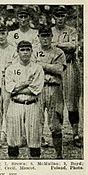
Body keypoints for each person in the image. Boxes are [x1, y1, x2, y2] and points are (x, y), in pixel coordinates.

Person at [5, 40, 45, 159]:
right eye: (22, 50)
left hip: (32, 103)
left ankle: (34, 169)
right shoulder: (11, 69)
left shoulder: (37, 68)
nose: (25, 52)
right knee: (13, 139)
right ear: (17, 52)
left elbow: (36, 89)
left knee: (34, 139)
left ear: (32, 51)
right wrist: (26, 84)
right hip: (15, 104)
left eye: (28, 50)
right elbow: (9, 88)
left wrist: (17, 88)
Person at [51, 6, 82, 148]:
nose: (60, 18)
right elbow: (46, 47)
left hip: (69, 65)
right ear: (54, 17)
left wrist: (56, 45)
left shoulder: (71, 30)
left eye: (62, 15)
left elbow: (72, 47)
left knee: (72, 101)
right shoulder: (50, 31)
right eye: (57, 16)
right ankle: (58, 134)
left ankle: (75, 133)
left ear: (65, 17)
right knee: (56, 102)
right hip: (55, 68)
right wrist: (62, 46)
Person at [34, 27, 66, 159]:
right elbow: (31, 69)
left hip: (54, 89)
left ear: (52, 36)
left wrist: (41, 65)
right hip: (39, 89)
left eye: (47, 36)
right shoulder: (34, 51)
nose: (45, 39)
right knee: (36, 122)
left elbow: (59, 69)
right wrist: (49, 67)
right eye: (42, 36)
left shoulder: (58, 52)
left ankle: (59, 155)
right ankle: (36, 157)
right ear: (39, 37)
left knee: (56, 124)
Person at [0, 23, 17, 143]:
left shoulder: (13, 50)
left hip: (7, 81)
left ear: (7, 33)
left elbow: (14, 67)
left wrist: (5, 68)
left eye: (2, 33)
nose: (1, 37)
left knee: (7, 107)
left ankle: (5, 132)